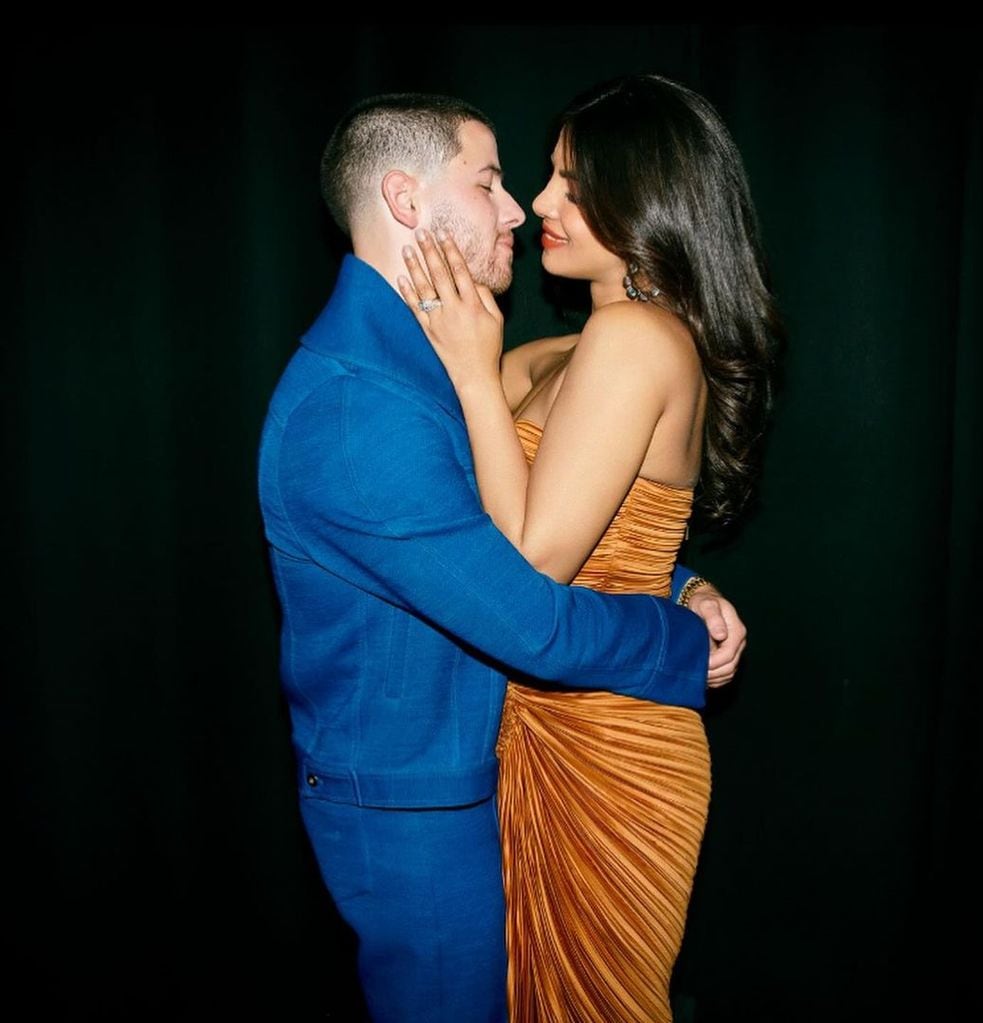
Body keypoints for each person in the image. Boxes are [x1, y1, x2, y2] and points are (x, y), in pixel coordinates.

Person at [257, 92, 747, 1023]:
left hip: (564, 750)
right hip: (425, 798)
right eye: (492, 180)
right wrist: (678, 630)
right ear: (408, 202)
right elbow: (524, 596)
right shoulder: (367, 402)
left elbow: (533, 524)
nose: (527, 202)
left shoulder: (449, 356)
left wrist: (681, 573)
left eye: (567, 176)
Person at [398, 75, 778, 1022]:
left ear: (642, 195)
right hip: (538, 724)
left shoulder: (634, 337)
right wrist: (685, 582)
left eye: (570, 181)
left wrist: (473, 377)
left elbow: (529, 571)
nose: (539, 204)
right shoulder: (569, 350)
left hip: (607, 745)